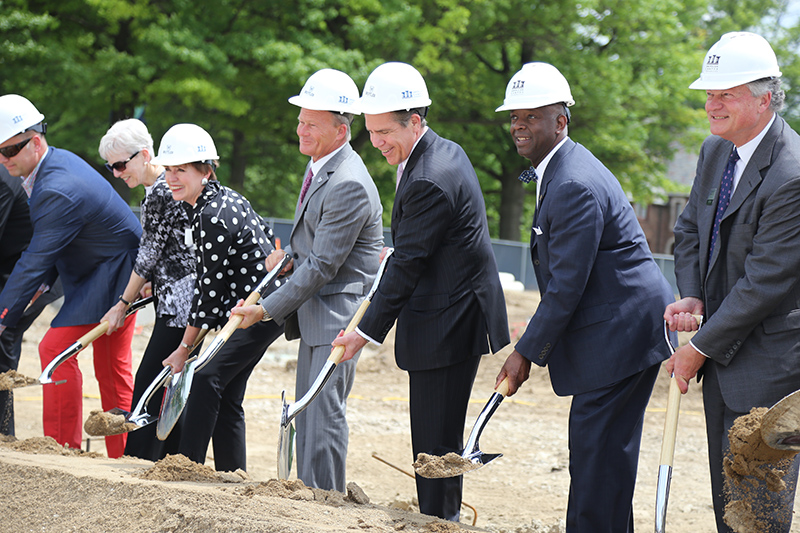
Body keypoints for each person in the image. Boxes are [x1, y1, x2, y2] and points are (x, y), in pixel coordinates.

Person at [492, 63, 674, 532]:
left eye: (532, 116)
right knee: (604, 458)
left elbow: (566, 286)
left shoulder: (571, 182)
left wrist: (524, 353)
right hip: (619, 325)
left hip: (620, 333)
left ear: (561, 121)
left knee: (596, 457)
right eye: (514, 117)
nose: (519, 126)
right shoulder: (559, 170)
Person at [331, 62, 510, 521]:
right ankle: (440, 515)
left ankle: (439, 521)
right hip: (450, 308)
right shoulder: (438, 153)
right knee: (438, 436)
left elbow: (410, 264)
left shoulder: (429, 175)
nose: (375, 142)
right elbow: (421, 247)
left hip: (448, 319)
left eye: (384, 131)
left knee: (434, 439)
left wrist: (364, 333)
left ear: (414, 120)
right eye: (370, 132)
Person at [666, 32, 800, 533]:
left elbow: (765, 281)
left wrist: (698, 346)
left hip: (770, 372)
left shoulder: (791, 173)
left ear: (765, 98)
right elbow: (687, 231)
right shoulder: (715, 151)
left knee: (760, 512)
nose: (711, 104)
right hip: (723, 364)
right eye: (709, 93)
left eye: (726, 94)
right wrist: (692, 291)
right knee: (729, 504)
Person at [231, 69, 382, 491]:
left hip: (336, 317)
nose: (301, 130)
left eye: (310, 124)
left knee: (322, 418)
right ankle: (313, 502)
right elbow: (313, 253)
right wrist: (287, 259)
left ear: (340, 129)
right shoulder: (321, 166)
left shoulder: (348, 182)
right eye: (300, 121)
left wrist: (265, 310)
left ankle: (327, 506)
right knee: (308, 414)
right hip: (319, 314)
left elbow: (322, 267)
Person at [0, 94, 141, 458]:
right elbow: (48, 251)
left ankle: (62, 451)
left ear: (35, 141)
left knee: (55, 352)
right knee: (111, 366)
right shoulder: (50, 166)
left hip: (115, 273)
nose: (4, 160)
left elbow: (35, 258)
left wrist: (1, 317)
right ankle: (125, 455)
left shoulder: (57, 187)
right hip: (111, 269)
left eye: (10, 150)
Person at [157, 123, 284, 472]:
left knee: (206, 376)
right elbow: (268, 238)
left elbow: (208, 290)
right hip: (259, 308)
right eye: (168, 169)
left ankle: (187, 466)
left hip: (258, 311)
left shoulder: (210, 215)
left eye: (182, 170)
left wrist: (184, 349)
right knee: (227, 393)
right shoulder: (224, 198)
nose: (172, 177)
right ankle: (232, 474)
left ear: (206, 171)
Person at [98, 118, 196, 460]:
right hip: (181, 303)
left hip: (181, 307)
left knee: (149, 386)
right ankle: (175, 459)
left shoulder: (159, 193)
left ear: (143, 155)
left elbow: (148, 253)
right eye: (110, 167)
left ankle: (138, 461)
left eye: (121, 165)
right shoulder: (164, 189)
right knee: (172, 384)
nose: (116, 173)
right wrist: (155, 279)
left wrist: (121, 303)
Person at [0, 165, 63, 436]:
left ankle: (4, 434)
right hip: (14, 271)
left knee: (3, 339)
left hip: (34, 277)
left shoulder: (3, 179)